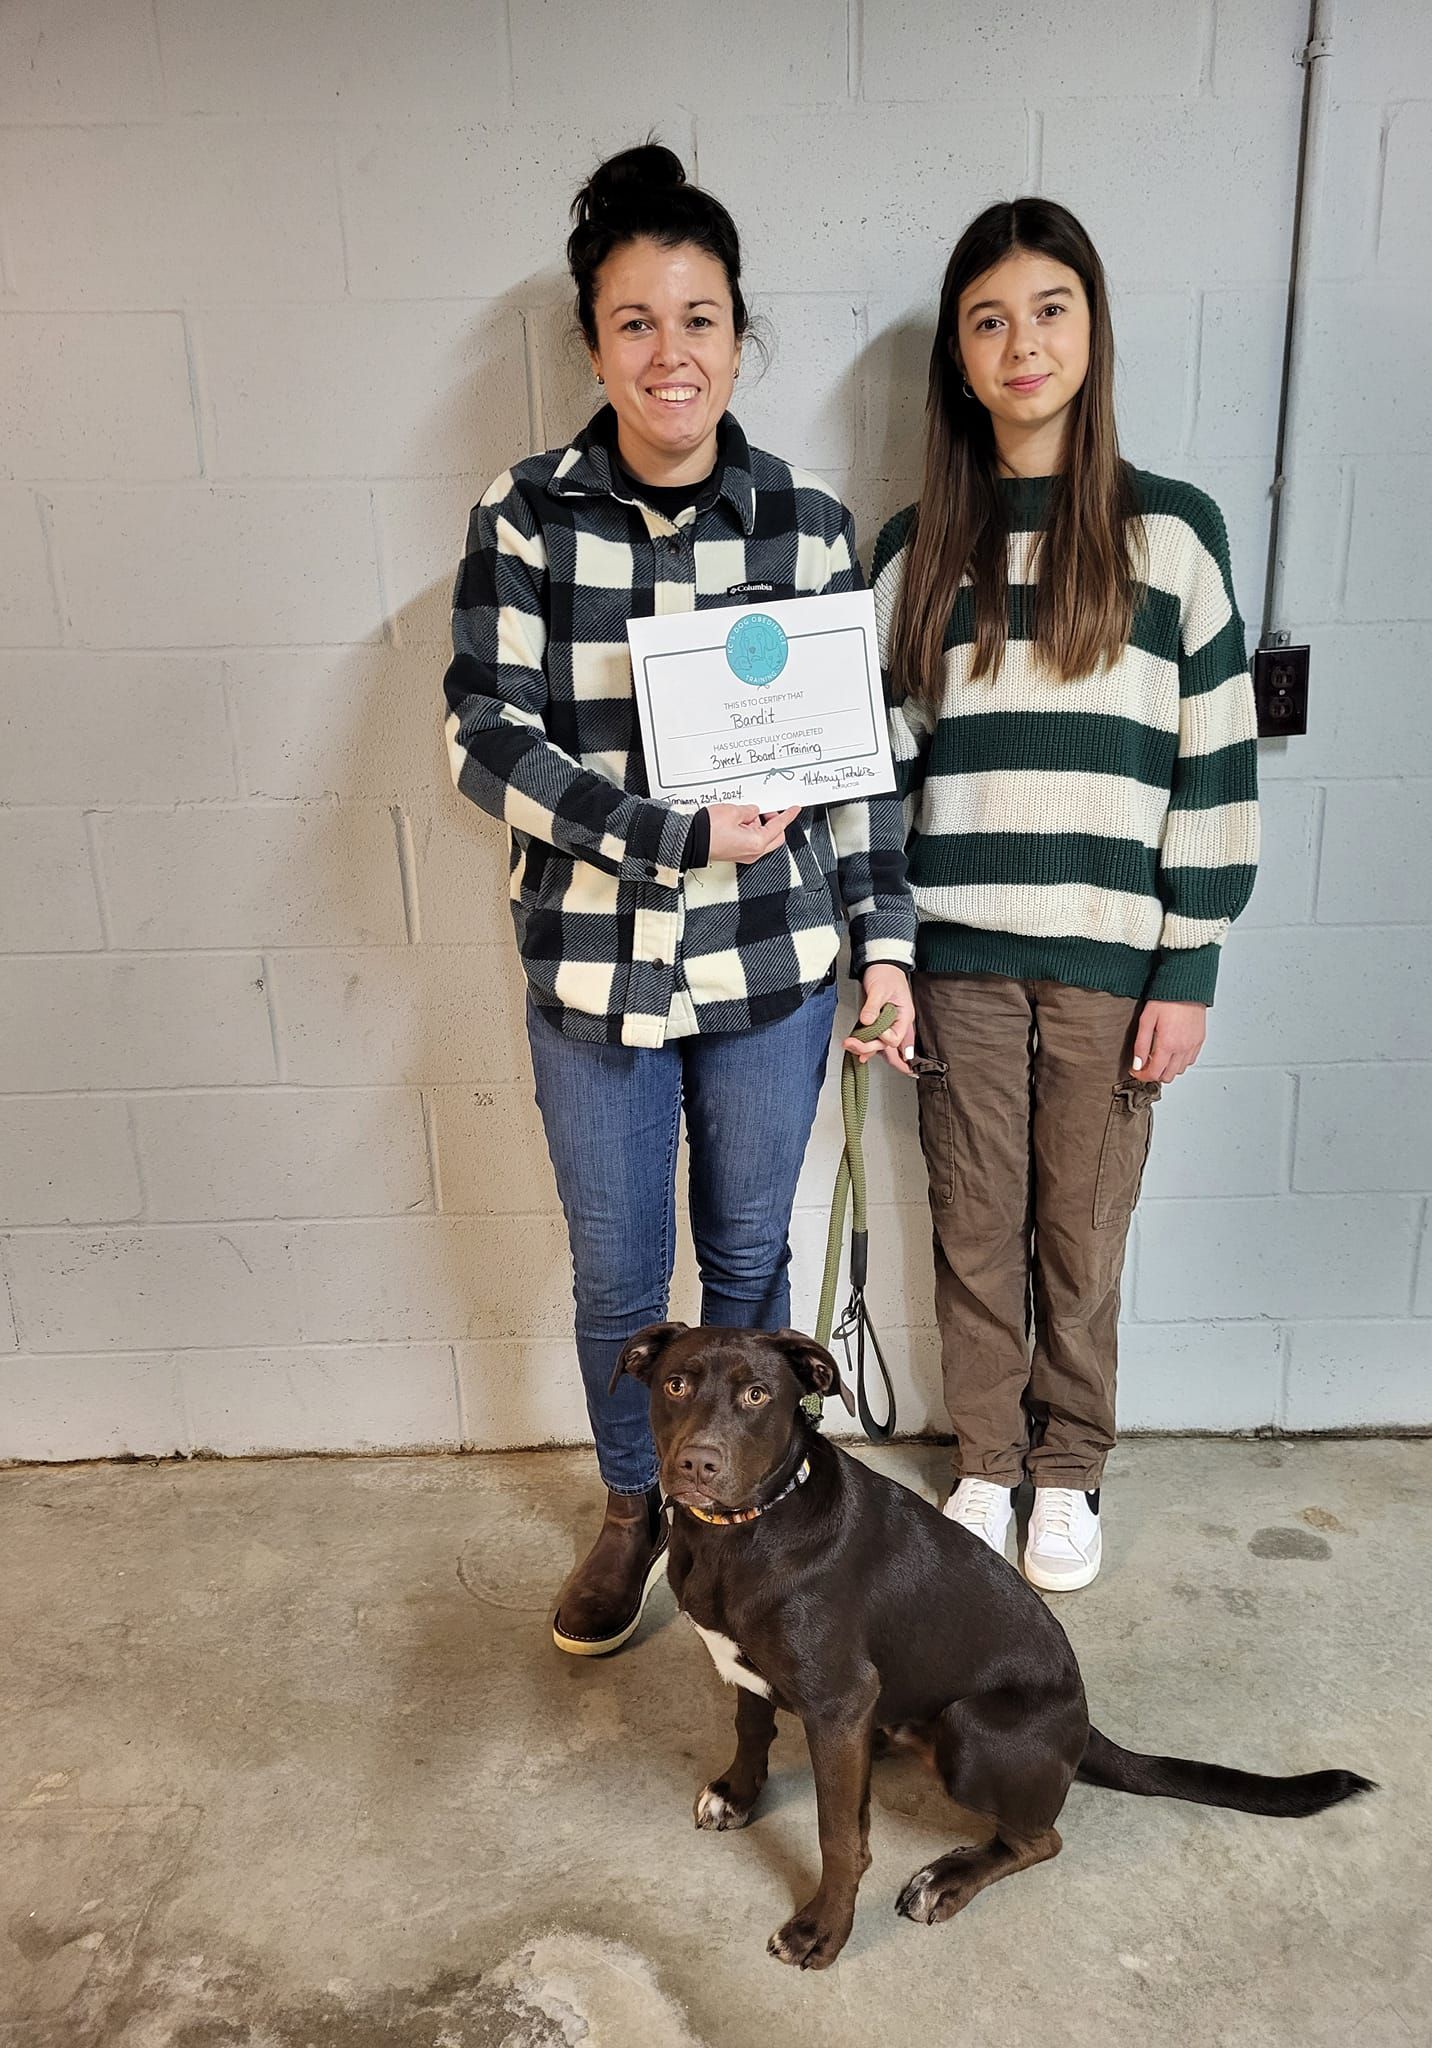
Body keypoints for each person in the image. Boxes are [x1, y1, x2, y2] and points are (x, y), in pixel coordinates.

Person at [444, 143, 915, 1657]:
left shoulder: (804, 525)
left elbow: (857, 770)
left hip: (770, 975)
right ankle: (636, 1506)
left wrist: (885, 950)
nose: (669, 352)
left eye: (698, 318)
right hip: (593, 977)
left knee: (752, 1265)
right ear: (595, 343)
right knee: (618, 1279)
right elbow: (483, 740)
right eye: (637, 321)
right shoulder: (524, 519)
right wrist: (668, 832)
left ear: (736, 336)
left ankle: (751, 1512)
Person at [872, 198, 1259, 1592]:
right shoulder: (916, 549)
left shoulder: (1176, 539)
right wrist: (890, 957)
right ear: (959, 360)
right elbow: (882, 779)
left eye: (1049, 310)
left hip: (1114, 962)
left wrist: (1192, 962)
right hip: (959, 961)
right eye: (988, 319)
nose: (1021, 343)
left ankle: (1070, 1464)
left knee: (1078, 1227)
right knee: (974, 1215)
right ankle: (987, 1456)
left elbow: (1211, 761)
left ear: (1091, 332)